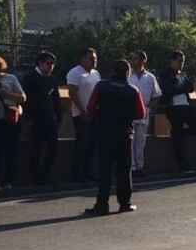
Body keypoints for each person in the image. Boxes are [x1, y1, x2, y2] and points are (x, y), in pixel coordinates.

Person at [84, 59, 146, 215]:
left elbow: (90, 108)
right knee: (124, 171)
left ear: (112, 71)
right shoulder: (133, 90)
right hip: (124, 134)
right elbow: (141, 113)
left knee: (104, 170)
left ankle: (102, 204)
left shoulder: (101, 86)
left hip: (104, 132)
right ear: (127, 73)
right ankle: (125, 203)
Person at [0, 54, 27, 192]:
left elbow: (22, 98)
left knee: (11, 150)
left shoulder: (11, 78)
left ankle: (9, 180)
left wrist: (5, 93)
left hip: (11, 118)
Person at [20, 50, 61, 186]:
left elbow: (56, 99)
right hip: (36, 119)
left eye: (53, 64)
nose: (51, 67)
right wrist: (29, 118)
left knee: (52, 147)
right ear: (40, 63)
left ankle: (46, 173)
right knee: (36, 149)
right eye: (48, 64)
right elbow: (26, 101)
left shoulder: (52, 79)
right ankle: (37, 176)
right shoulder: (29, 78)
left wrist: (58, 116)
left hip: (50, 119)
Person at [158, 50, 196, 172]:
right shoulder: (165, 73)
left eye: (183, 61)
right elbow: (168, 89)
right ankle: (183, 165)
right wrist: (181, 88)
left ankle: (176, 133)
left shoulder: (183, 74)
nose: (181, 64)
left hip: (186, 105)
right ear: (172, 61)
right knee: (178, 139)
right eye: (179, 61)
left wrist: (179, 88)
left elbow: (191, 87)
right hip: (173, 107)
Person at [67, 47, 101, 182]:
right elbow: (72, 93)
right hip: (81, 114)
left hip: (94, 114)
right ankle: (77, 173)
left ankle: (90, 172)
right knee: (82, 143)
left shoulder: (96, 74)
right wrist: (82, 110)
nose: (94, 61)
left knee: (92, 144)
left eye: (96, 59)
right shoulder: (75, 73)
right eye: (91, 58)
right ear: (82, 59)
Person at [128, 50, 162, 177]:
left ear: (143, 61)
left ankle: (139, 167)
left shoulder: (150, 77)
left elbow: (157, 95)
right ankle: (131, 167)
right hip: (129, 113)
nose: (132, 61)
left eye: (136, 58)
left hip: (143, 113)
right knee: (129, 142)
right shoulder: (128, 75)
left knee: (140, 142)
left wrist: (150, 105)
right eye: (132, 58)